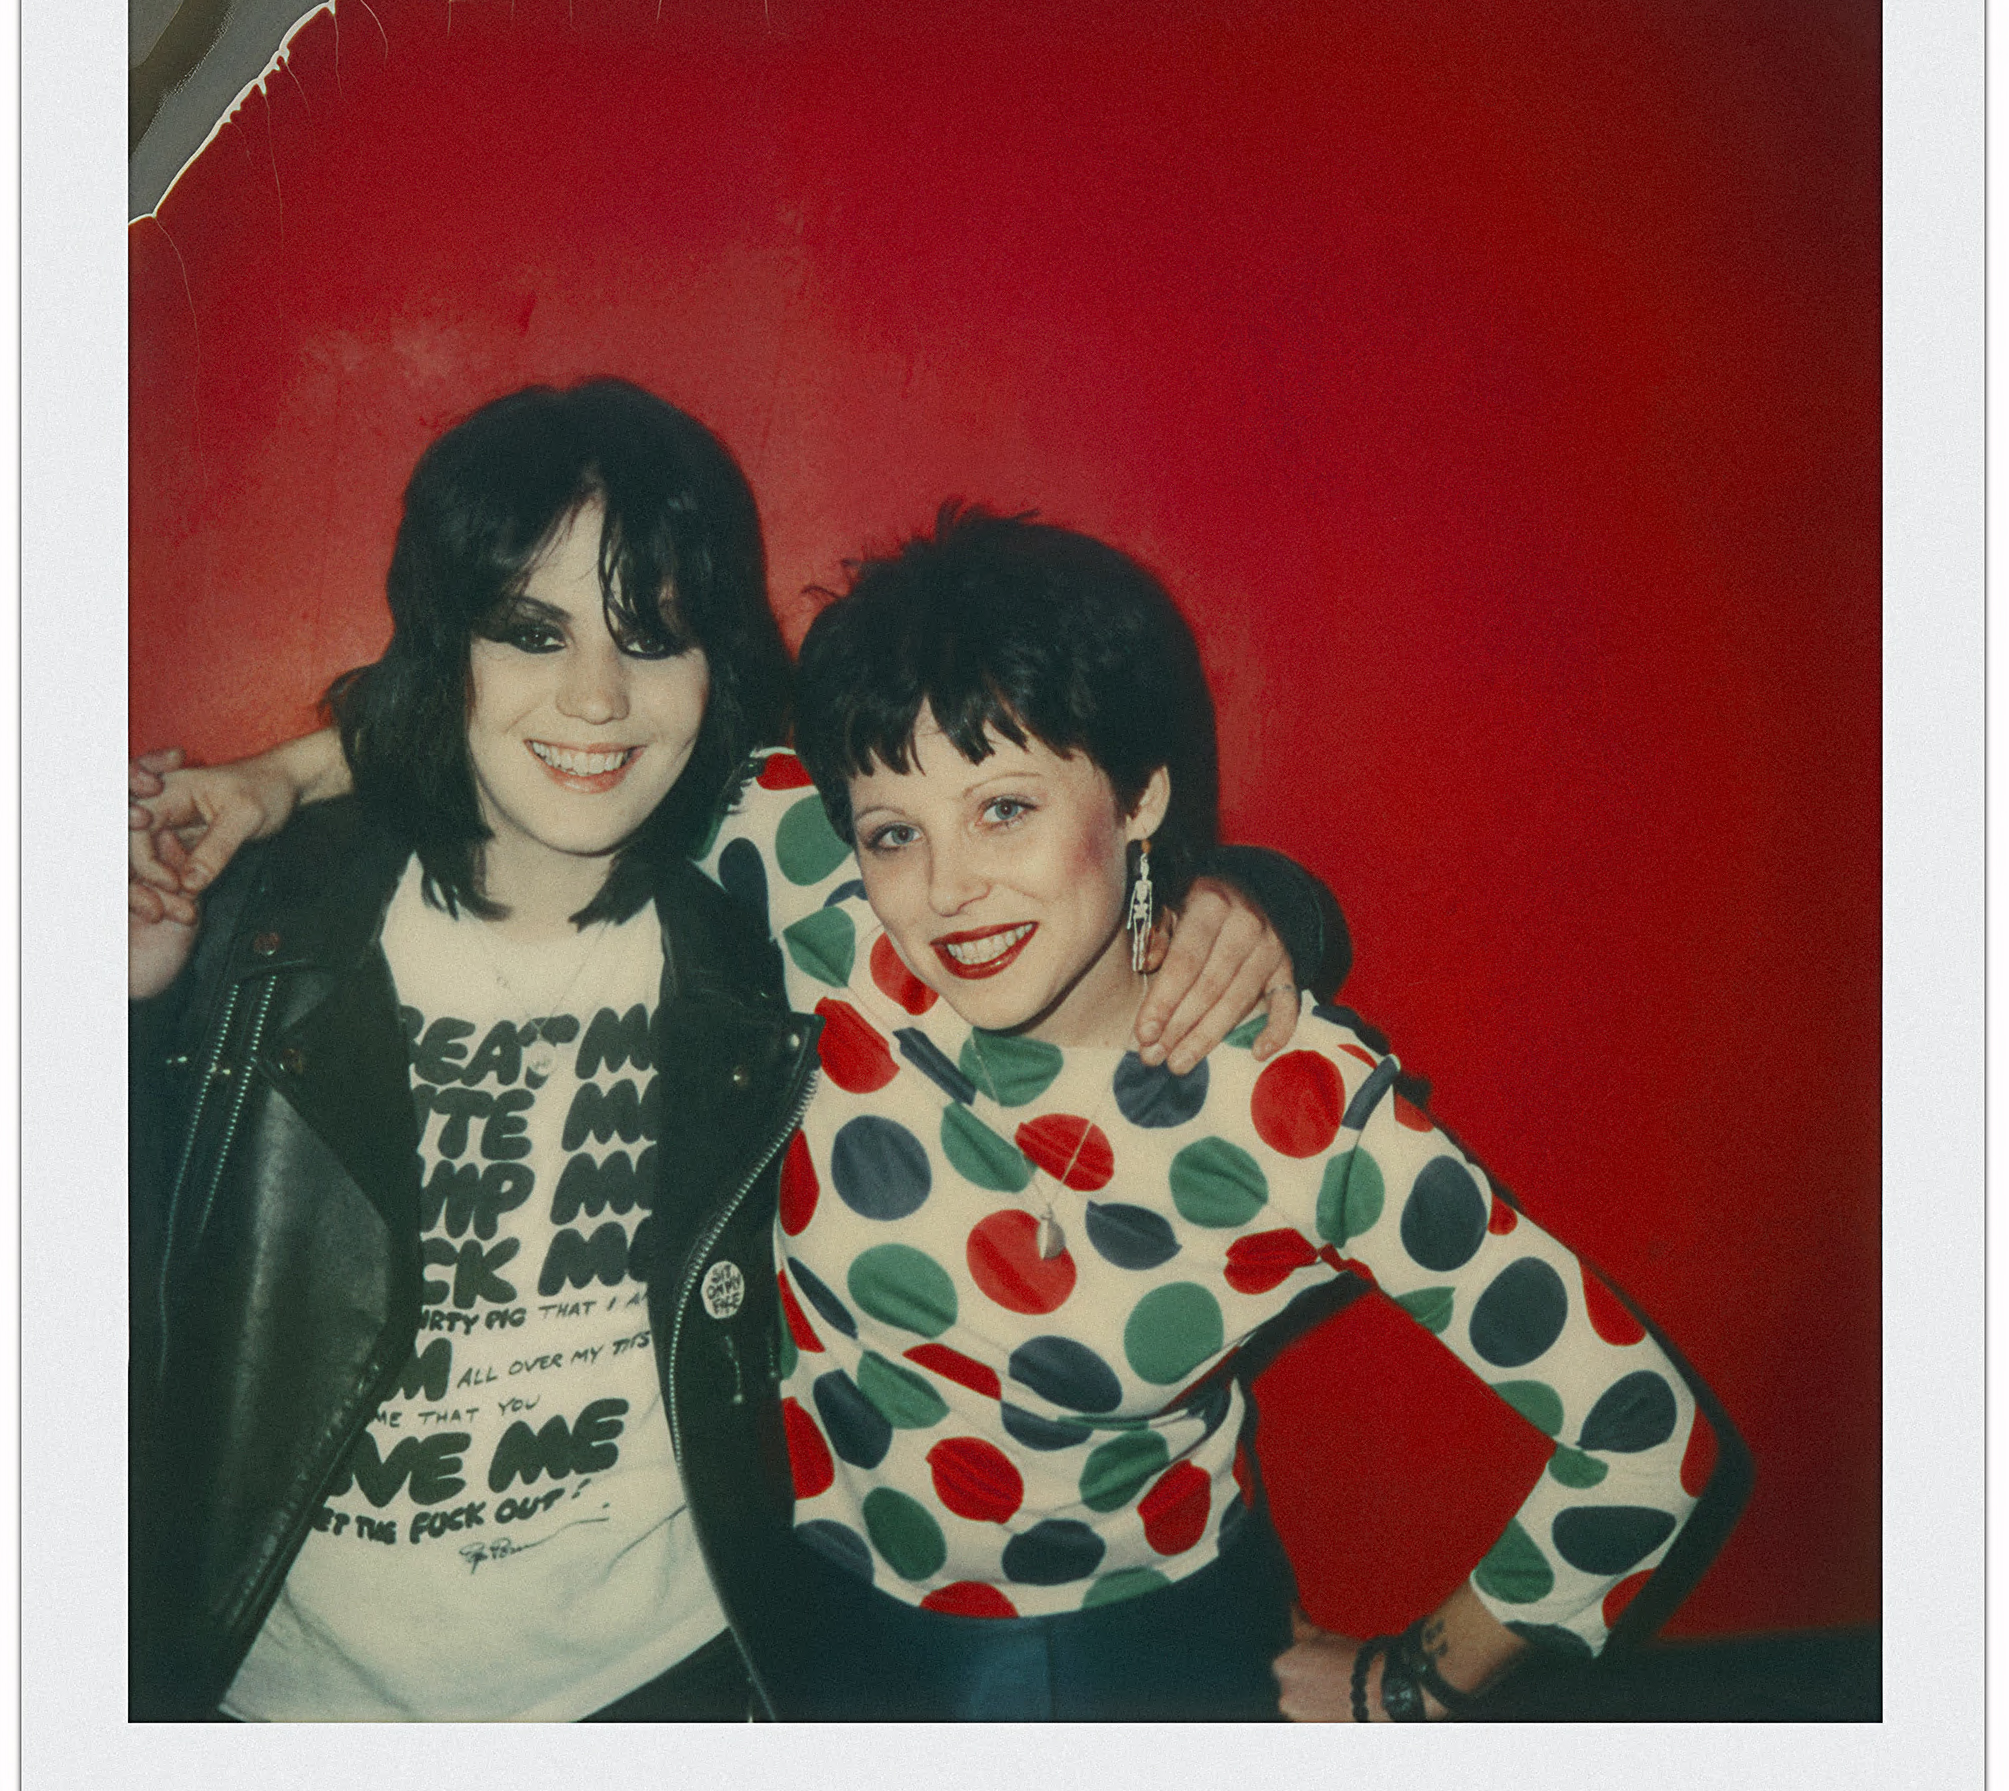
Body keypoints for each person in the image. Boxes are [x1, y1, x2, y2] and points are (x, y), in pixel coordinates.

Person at [129, 385, 1336, 1721]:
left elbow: (1050, 861)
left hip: (684, 1685)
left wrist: (1246, 902)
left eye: (653, 638)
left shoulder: (765, 903)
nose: (597, 697)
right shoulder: (256, 930)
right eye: (531, 631)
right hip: (284, 1709)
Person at [696, 507, 1737, 1719]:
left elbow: (1644, 1437)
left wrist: (1406, 1686)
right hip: (801, 1616)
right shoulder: (829, 912)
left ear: (1139, 796)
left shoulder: (1297, 1112)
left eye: (1004, 809)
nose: (945, 889)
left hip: (1120, 1661)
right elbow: (600, 762)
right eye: (893, 832)